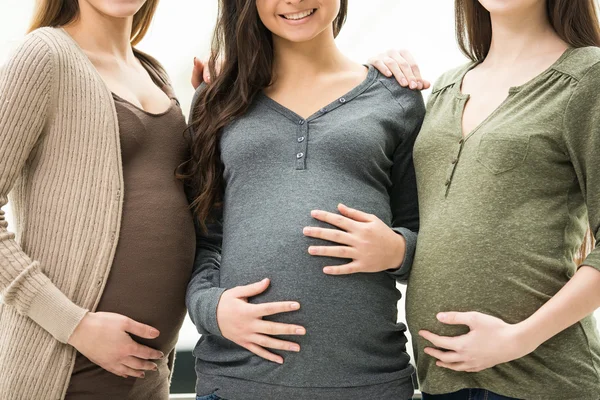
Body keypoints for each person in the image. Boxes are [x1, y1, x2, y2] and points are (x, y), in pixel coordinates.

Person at [345, 0, 600, 398]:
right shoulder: (445, 88)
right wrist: (372, 81)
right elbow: (425, 226)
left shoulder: (588, 76)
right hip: (441, 378)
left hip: (542, 379)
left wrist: (518, 339)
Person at [183, 0, 425, 399]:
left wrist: (398, 249)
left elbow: (427, 234)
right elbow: (201, 238)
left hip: (368, 382)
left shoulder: (396, 98)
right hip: (236, 383)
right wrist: (213, 309)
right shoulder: (217, 99)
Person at [0, 1, 196, 399]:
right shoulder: (45, 56)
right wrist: (75, 325)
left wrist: (222, 89)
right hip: (65, 372)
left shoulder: (153, 70)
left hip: (146, 378)